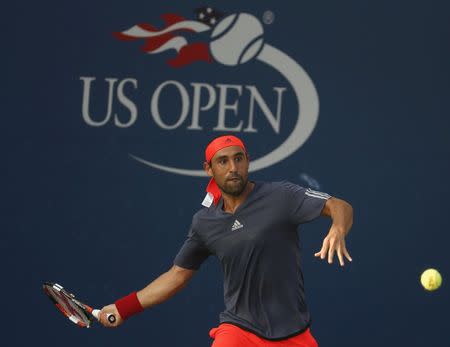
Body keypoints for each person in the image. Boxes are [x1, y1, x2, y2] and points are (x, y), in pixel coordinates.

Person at [99, 135, 353, 347]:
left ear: (247, 162)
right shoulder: (204, 222)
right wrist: (123, 308)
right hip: (238, 330)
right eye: (223, 161)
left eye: (238, 159)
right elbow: (176, 277)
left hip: (294, 333)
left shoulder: (281, 196)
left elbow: (338, 205)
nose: (233, 167)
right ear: (209, 169)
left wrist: (338, 228)